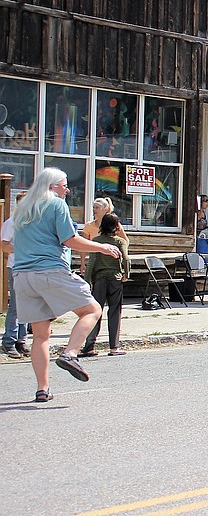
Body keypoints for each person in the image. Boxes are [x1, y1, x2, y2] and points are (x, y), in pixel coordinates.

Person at [11, 167, 124, 402]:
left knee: (41, 335)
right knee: (92, 309)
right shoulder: (55, 204)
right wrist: (102, 247)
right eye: (64, 184)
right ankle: (70, 353)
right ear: (52, 186)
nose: (67, 189)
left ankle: (43, 389)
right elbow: (70, 240)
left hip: (22, 276)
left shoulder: (23, 208)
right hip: (50, 271)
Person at [80, 213, 130, 357]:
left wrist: (87, 280)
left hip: (99, 279)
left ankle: (89, 346)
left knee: (95, 312)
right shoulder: (120, 242)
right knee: (115, 312)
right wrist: (126, 274)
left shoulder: (97, 240)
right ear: (116, 226)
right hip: (115, 279)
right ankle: (114, 347)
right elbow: (126, 259)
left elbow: (92, 262)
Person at [1, 191, 29, 358]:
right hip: (16, 266)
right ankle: (9, 340)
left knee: (28, 304)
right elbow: (4, 246)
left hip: (30, 267)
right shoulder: (11, 223)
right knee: (16, 305)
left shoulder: (32, 223)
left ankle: (21, 339)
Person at [79, 197, 128, 274]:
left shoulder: (114, 224)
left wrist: (122, 256)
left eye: (97, 208)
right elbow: (83, 246)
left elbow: (125, 241)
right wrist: (82, 262)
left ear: (105, 209)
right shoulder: (88, 226)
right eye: (93, 207)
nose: (94, 210)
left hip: (112, 264)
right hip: (95, 263)